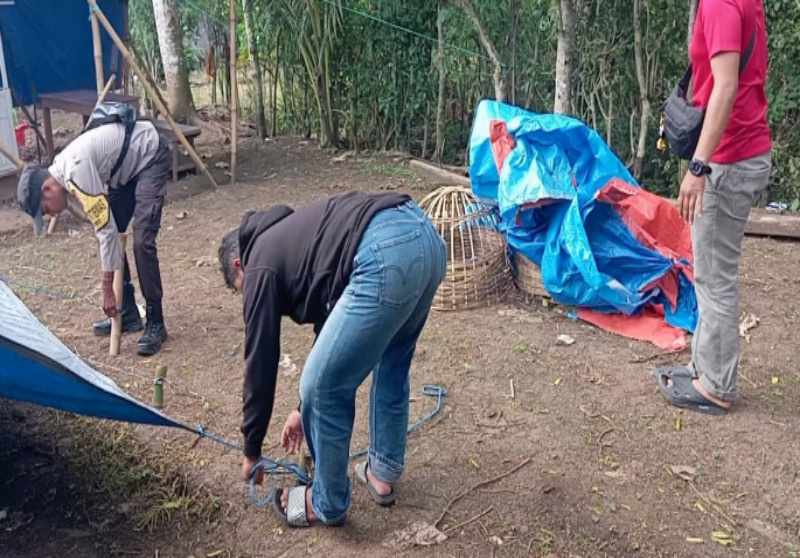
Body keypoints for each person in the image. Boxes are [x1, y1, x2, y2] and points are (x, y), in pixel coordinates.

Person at [217, 191, 446, 527]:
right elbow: (333, 328)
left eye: (241, 289)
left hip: (384, 253)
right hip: (425, 237)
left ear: (239, 266)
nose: (247, 295)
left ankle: (325, 501)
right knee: (392, 364)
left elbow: (261, 359)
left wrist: (252, 450)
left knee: (322, 386)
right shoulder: (297, 237)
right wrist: (300, 407)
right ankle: (381, 472)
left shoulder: (260, 263)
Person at [655, 0, 772, 414]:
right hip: (740, 150)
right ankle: (706, 368)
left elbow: (726, 86)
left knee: (715, 276)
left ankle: (718, 386)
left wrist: (699, 167)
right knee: (707, 271)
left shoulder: (721, 3)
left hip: (728, 159)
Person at [16, 118, 171, 356]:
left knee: (141, 241)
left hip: (149, 154)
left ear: (47, 189)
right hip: (125, 170)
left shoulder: (75, 171)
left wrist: (106, 287)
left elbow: (105, 229)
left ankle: (156, 321)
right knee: (113, 232)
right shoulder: (63, 170)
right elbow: (106, 229)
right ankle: (127, 311)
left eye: (45, 210)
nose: (50, 215)